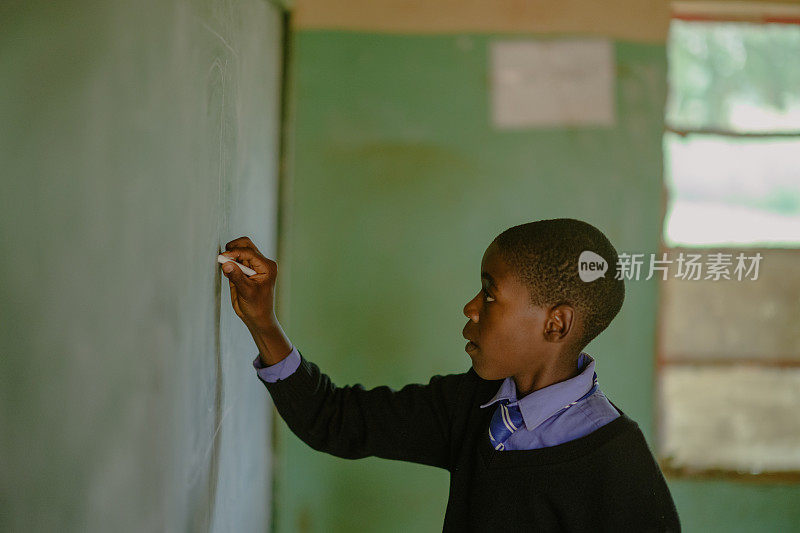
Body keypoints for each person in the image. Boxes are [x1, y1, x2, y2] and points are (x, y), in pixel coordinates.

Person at [220, 218, 681, 532]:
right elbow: (336, 420)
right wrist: (264, 323)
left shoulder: (618, 468)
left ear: (555, 324)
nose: (471, 307)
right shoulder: (473, 404)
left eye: (489, 293)